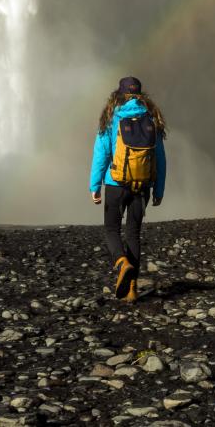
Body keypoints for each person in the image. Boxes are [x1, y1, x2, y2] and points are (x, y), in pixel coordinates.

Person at [89, 76, 167, 301]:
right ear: (140, 95)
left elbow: (101, 154)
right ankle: (131, 290)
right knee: (133, 234)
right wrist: (158, 190)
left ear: (119, 94)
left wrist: (94, 185)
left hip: (115, 184)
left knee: (111, 230)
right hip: (142, 186)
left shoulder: (111, 118)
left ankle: (122, 263)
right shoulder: (151, 119)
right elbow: (160, 159)